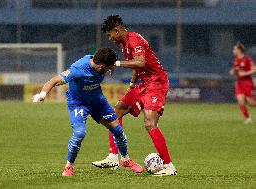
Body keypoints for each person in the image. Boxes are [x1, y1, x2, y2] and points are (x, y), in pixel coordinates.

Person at [33, 47, 144, 176]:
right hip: (79, 104)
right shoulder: (78, 70)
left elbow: (109, 63)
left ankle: (125, 160)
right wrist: (42, 94)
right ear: (102, 67)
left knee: (117, 130)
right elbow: (54, 80)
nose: (111, 69)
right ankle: (69, 166)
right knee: (80, 133)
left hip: (98, 102)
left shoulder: (99, 61)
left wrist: (112, 67)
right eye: (109, 67)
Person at [92, 15, 176, 176]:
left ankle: (169, 166)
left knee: (150, 123)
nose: (110, 38)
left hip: (156, 82)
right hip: (143, 83)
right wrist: (131, 85)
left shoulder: (134, 39)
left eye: (110, 35)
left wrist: (114, 63)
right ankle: (112, 157)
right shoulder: (124, 45)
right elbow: (137, 68)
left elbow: (140, 62)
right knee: (115, 112)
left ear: (116, 30)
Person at [229, 42, 256, 124]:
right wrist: (232, 71)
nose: (233, 50)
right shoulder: (235, 60)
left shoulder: (247, 59)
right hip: (239, 82)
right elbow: (234, 70)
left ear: (239, 50)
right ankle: (247, 118)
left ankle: (247, 118)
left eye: (234, 49)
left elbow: (254, 69)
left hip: (247, 82)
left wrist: (245, 73)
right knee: (240, 100)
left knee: (250, 102)